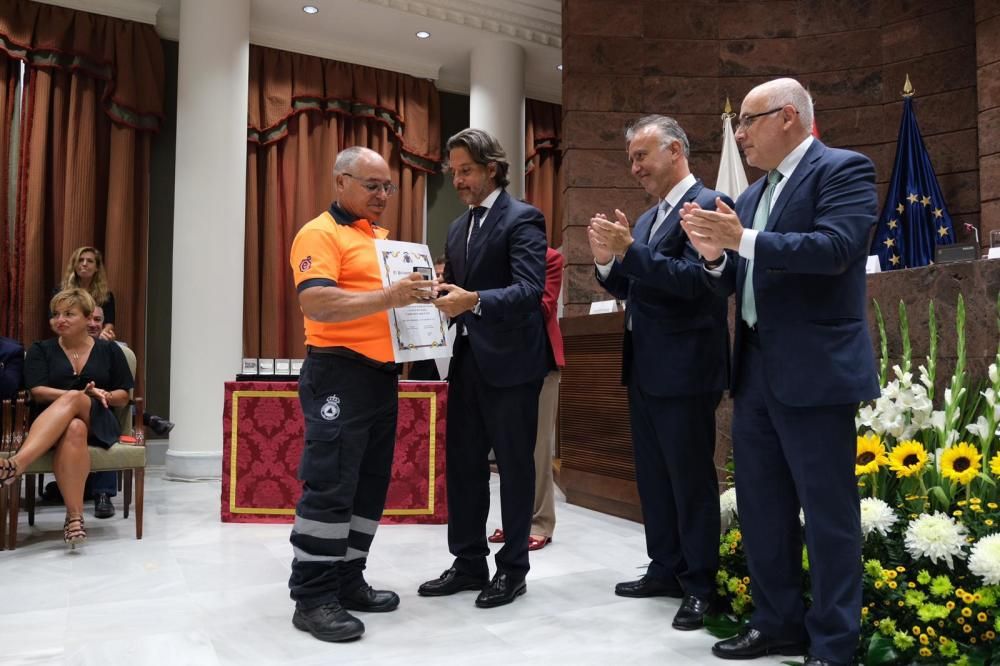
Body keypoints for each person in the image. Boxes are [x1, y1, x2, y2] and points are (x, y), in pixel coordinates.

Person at [680, 78, 879, 666]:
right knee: (762, 507)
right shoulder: (749, 197)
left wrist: (740, 239)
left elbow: (834, 248)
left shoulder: (844, 169)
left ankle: (834, 643)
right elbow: (734, 279)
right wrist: (717, 257)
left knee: (827, 514)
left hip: (817, 372)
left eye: (748, 120)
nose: (739, 134)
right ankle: (777, 624)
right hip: (757, 368)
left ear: (788, 116)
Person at [588, 115, 732, 631]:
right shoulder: (650, 220)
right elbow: (637, 285)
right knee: (655, 478)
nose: (635, 168)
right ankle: (665, 566)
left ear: (675, 151)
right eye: (631, 158)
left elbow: (701, 283)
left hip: (688, 369)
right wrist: (608, 262)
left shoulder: (711, 206)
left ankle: (700, 585)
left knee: (690, 480)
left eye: (641, 156)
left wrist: (632, 252)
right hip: (645, 367)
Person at [287, 146, 434, 643]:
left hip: (381, 376)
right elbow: (317, 302)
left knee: (368, 486)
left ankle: (349, 581)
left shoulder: (386, 243)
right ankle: (312, 598)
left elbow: (394, 308)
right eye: (371, 185)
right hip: (338, 374)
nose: (382, 194)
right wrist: (391, 296)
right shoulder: (319, 233)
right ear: (340, 182)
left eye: (388, 186)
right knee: (330, 485)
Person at [417, 128, 548, 609]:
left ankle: (512, 569)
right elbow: (459, 290)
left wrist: (474, 300)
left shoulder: (524, 219)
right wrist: (441, 289)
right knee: (464, 467)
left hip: (513, 365)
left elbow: (530, 291)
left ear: (492, 168)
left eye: (465, 171)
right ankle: (469, 561)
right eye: (453, 172)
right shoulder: (457, 227)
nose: (458, 180)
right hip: (467, 361)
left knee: (513, 469)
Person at [0, 289, 133, 548]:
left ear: (87, 318)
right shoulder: (41, 349)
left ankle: (16, 464)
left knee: (75, 400)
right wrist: (77, 394)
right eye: (56, 314)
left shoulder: (110, 350)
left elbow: (123, 395)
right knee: (73, 426)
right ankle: (74, 518)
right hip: (51, 424)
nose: (60, 319)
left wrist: (100, 394)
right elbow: (37, 391)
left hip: (100, 421)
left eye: (69, 314)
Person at [486, 246, 564, 551]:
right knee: (509, 448)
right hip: (504, 361)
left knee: (538, 447)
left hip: (539, 360)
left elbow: (543, 306)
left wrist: (493, 304)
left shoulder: (550, 259)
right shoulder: (498, 257)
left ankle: (541, 522)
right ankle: (515, 521)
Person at [60, 247, 116, 340]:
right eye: (80, 260)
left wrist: (104, 335)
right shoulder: (61, 293)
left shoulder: (106, 295)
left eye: (90, 261)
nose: (84, 264)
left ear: (97, 268)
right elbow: (56, 320)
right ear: (74, 265)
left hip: (96, 341)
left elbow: (109, 324)